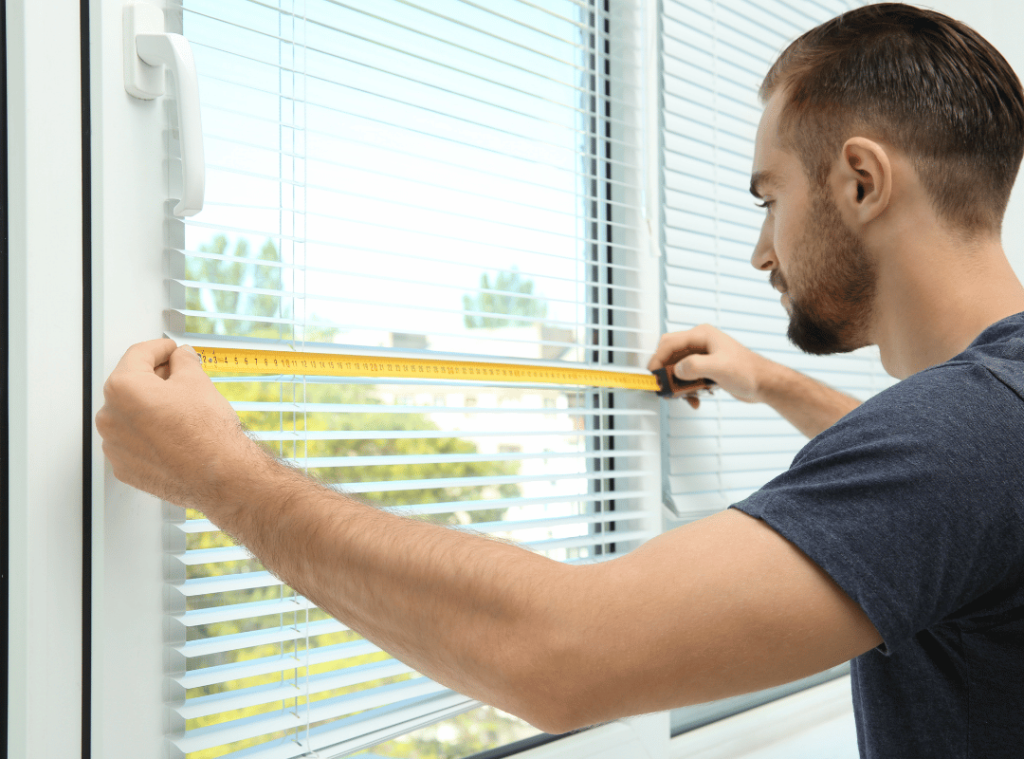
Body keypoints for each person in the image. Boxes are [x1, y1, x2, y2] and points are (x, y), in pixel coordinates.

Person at [96, 3, 1024, 756]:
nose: (758, 251)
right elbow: (929, 490)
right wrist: (769, 382)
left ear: (862, 181)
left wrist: (213, 471)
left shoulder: (965, 436)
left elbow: (556, 654)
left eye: (768, 197)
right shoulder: (992, 417)